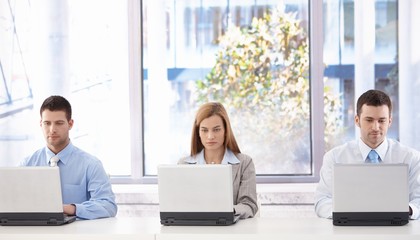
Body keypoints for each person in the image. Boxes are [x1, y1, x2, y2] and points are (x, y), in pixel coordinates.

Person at [315, 89, 420, 220]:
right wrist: (350, 211)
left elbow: (418, 200)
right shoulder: (335, 158)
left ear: (390, 121)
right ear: (357, 120)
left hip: (397, 232)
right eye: (369, 120)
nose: (376, 127)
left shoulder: (411, 158)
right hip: (349, 232)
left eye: (382, 120)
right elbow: (321, 201)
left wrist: (405, 210)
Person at [22, 95, 117, 220]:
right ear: (41, 124)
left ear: (70, 124)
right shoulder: (27, 164)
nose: (52, 130)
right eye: (47, 123)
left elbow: (108, 206)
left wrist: (70, 209)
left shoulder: (91, 165)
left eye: (59, 123)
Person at [178, 102, 258, 219]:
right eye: (204, 130)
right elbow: (178, 205)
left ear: (225, 131)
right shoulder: (183, 165)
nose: (210, 136)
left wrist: (226, 211)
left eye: (216, 130)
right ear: (198, 132)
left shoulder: (244, 163)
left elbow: (249, 205)